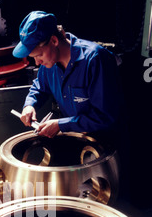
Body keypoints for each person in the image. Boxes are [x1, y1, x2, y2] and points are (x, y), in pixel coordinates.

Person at [12, 11, 124, 146]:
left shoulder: (95, 60)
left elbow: (104, 116)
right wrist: (30, 105)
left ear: (54, 41)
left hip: (107, 144)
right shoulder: (49, 63)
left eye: (39, 55)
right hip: (78, 140)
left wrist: (61, 125)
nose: (37, 62)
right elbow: (39, 87)